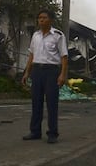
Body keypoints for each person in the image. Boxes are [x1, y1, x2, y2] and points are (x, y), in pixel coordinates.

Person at [21, 9, 68, 144]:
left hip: (51, 72)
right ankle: (35, 131)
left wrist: (62, 75)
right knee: (36, 102)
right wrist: (27, 73)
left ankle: (52, 133)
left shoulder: (58, 36)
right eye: (39, 17)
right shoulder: (35, 36)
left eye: (44, 17)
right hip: (37, 71)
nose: (41, 20)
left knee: (52, 103)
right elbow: (31, 55)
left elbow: (64, 57)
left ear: (50, 20)